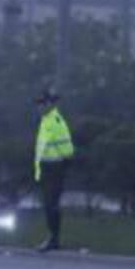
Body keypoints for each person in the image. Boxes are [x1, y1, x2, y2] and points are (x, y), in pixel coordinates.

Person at [33, 87, 75, 253]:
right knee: (49, 205)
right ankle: (52, 238)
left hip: (55, 168)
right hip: (47, 167)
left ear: (50, 104)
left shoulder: (55, 122)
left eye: (43, 103)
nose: (40, 107)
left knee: (51, 205)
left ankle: (53, 239)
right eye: (38, 104)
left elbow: (66, 149)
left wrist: (62, 164)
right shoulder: (46, 121)